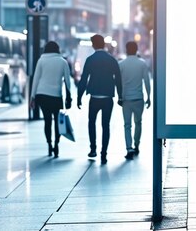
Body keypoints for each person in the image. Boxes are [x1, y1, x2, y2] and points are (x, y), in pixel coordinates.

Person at [77, 34, 123, 165]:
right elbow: (118, 79)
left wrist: (79, 97)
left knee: (91, 122)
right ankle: (104, 153)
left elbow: (84, 79)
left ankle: (93, 149)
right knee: (105, 125)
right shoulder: (112, 60)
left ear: (93, 45)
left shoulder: (90, 60)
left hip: (94, 97)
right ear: (103, 44)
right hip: (108, 97)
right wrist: (120, 96)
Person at [30, 41, 72, 158]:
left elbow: (36, 79)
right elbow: (68, 81)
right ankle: (56, 145)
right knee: (58, 122)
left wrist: (32, 97)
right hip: (56, 96)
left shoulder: (41, 60)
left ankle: (49, 145)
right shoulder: (63, 62)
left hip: (42, 95)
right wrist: (69, 97)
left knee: (47, 121)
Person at [118, 41, 151, 160]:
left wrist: (119, 96)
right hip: (138, 98)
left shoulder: (121, 64)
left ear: (126, 50)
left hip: (126, 99)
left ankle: (129, 148)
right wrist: (149, 96)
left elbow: (118, 83)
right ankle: (136, 145)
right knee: (138, 123)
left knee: (127, 125)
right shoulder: (142, 64)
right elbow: (147, 81)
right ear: (136, 50)